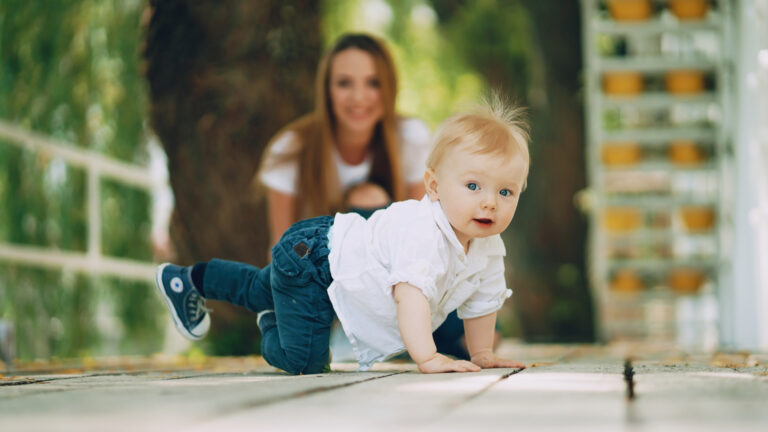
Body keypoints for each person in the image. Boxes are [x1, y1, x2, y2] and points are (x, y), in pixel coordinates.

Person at [155, 99, 529, 375]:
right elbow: (411, 297)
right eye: (473, 185)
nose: (489, 203)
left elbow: (483, 302)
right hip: (315, 262)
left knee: (256, 287)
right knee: (305, 362)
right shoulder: (424, 235)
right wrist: (428, 358)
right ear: (433, 185)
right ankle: (273, 325)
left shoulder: (489, 248)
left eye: (505, 192)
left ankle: (188, 279)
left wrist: (481, 353)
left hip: (325, 261)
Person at [256, 32, 473, 359]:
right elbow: (280, 249)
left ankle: (411, 332)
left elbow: (427, 235)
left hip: (404, 282)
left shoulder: (409, 138)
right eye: (344, 83)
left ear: (388, 89)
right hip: (329, 285)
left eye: (372, 83)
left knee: (471, 335)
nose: (359, 97)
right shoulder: (292, 149)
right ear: (326, 90)